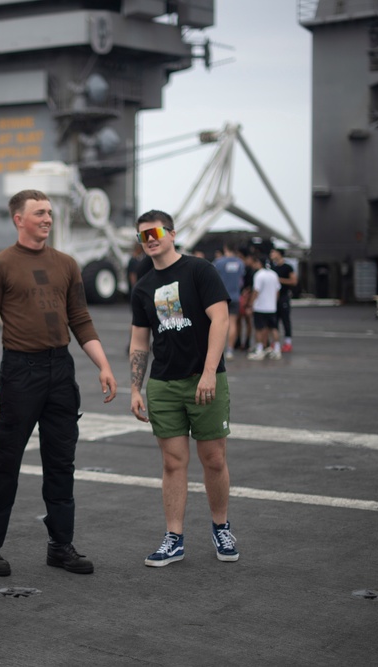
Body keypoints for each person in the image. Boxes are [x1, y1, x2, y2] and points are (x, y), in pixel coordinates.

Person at [0, 189, 117, 578]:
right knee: (5, 462)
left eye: (49, 212)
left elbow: (80, 320)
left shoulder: (67, 264)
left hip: (60, 371)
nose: (48, 218)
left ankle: (60, 545)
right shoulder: (0, 266)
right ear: (19, 219)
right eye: (39, 213)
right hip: (20, 373)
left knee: (61, 463)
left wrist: (102, 365)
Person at [128, 210, 237, 567]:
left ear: (172, 233)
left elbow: (220, 319)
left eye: (156, 231)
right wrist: (135, 388)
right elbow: (139, 341)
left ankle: (221, 527)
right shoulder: (142, 286)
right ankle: (173, 538)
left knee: (214, 459)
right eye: (143, 235)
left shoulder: (200, 271)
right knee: (173, 463)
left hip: (204, 379)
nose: (150, 238)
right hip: (163, 384)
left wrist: (209, 372)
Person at [245, 254, 281, 359]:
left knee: (259, 329)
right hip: (272, 307)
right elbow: (277, 291)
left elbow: (256, 291)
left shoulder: (259, 275)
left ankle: (260, 349)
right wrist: (274, 302)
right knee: (274, 328)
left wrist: (250, 304)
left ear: (259, 263)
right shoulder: (274, 274)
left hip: (260, 307)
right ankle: (277, 349)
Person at [212, 243, 244, 359]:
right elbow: (241, 280)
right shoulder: (240, 263)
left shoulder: (219, 262)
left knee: (218, 323)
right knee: (233, 323)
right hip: (235, 296)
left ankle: (218, 350)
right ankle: (230, 349)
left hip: (220, 297)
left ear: (225, 249)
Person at [269, 248, 296, 352]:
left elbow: (293, 281)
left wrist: (279, 280)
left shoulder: (287, 267)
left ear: (279, 254)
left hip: (284, 297)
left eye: (273, 252)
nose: (271, 254)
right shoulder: (272, 267)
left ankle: (288, 342)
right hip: (273, 298)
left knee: (285, 320)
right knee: (273, 321)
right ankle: (275, 342)